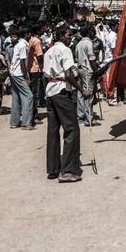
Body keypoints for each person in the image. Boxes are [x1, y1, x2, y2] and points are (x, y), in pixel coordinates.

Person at [44, 25, 88, 182]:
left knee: (53, 131)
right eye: (69, 35)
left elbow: (46, 74)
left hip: (50, 92)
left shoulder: (48, 51)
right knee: (71, 129)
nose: (70, 38)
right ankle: (68, 170)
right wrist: (82, 90)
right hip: (62, 90)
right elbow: (69, 74)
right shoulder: (65, 50)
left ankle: (53, 169)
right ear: (61, 35)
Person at [8, 27, 34, 130]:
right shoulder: (22, 45)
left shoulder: (19, 45)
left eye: (14, 36)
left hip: (14, 73)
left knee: (17, 97)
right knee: (29, 96)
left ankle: (14, 122)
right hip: (18, 74)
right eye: (11, 36)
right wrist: (26, 77)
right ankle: (26, 123)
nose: (12, 38)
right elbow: (23, 63)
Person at [74, 25, 98, 127]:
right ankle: (89, 120)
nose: (94, 33)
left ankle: (80, 115)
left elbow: (76, 58)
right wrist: (97, 71)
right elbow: (92, 59)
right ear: (89, 32)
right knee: (88, 94)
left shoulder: (79, 44)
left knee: (81, 93)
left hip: (79, 69)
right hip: (87, 70)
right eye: (92, 31)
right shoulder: (88, 43)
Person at [27, 25, 44, 125]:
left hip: (29, 68)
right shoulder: (36, 41)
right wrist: (43, 66)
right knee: (34, 93)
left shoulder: (29, 40)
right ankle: (34, 115)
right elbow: (39, 56)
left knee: (31, 92)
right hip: (35, 69)